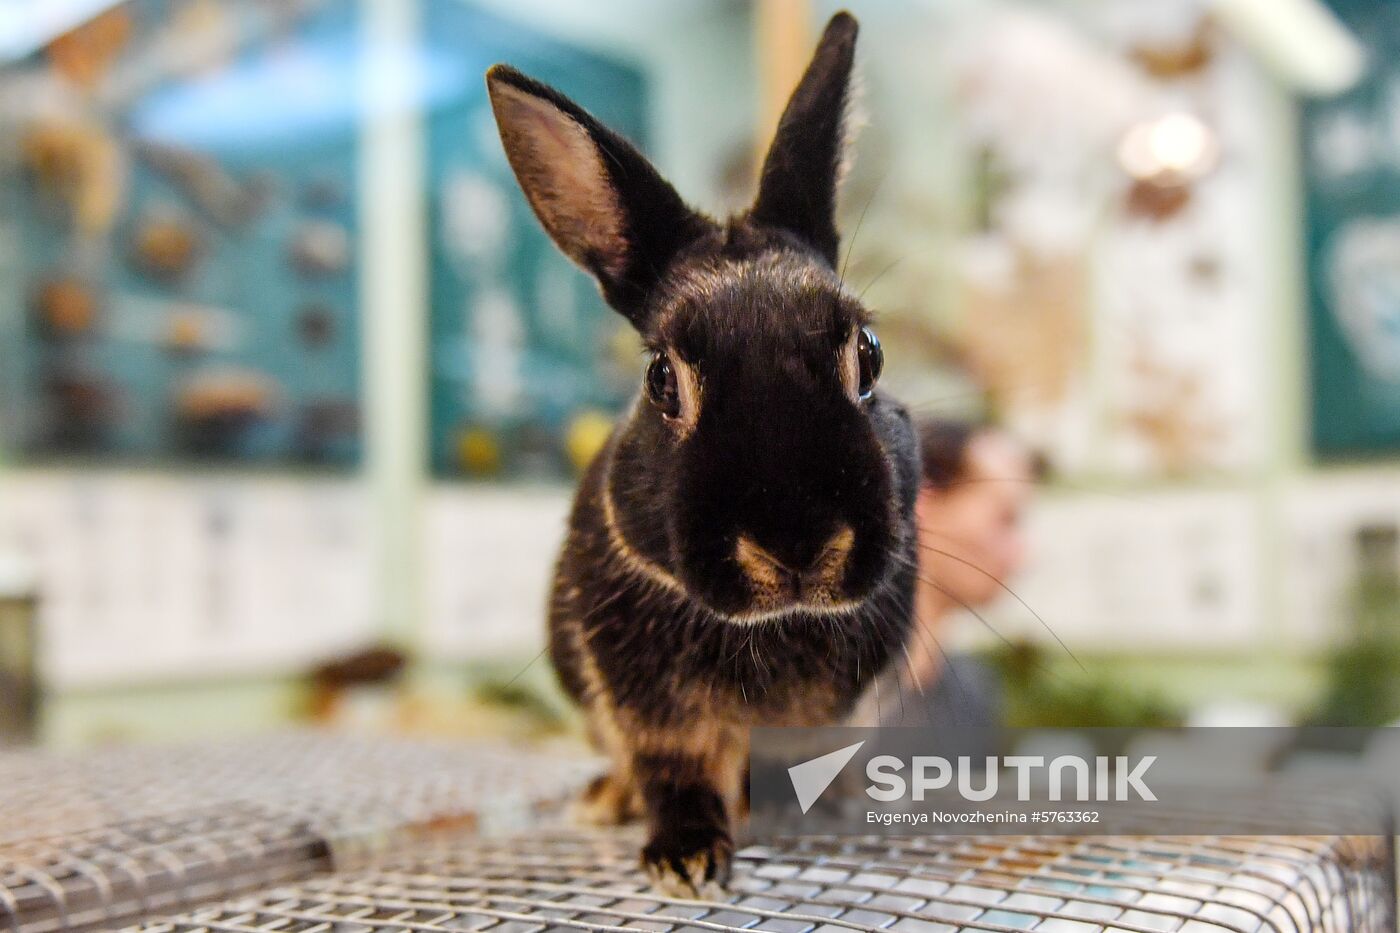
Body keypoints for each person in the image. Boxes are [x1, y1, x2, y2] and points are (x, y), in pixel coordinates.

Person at [851, 418, 1036, 728]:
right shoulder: (803, 698)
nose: (1022, 555)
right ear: (920, 497)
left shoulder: (973, 700)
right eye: (1004, 518)